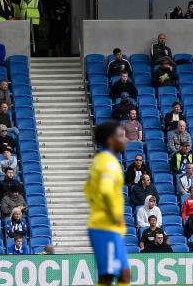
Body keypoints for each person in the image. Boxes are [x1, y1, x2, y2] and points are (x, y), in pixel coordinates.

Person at [84, 121, 130, 286]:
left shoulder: (102, 160)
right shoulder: (108, 162)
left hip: (108, 227)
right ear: (110, 140)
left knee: (124, 274)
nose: (125, 140)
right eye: (121, 136)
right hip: (105, 226)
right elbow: (105, 189)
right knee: (108, 277)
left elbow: (88, 189)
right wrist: (115, 214)